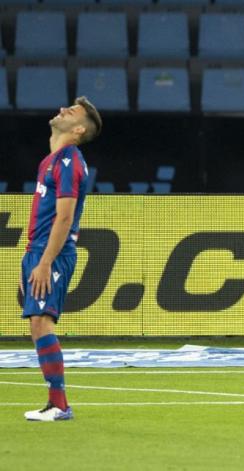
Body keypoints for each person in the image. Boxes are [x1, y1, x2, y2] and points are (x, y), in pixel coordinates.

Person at [20, 97, 102, 421]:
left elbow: (64, 219)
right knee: (37, 325)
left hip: (52, 253)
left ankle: (59, 405)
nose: (63, 110)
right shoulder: (50, 160)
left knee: (43, 322)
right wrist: (32, 258)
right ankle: (56, 403)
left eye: (73, 112)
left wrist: (44, 262)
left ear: (79, 129)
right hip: (39, 250)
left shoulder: (69, 160)